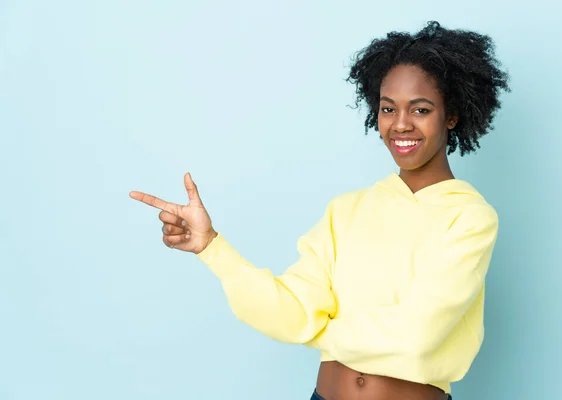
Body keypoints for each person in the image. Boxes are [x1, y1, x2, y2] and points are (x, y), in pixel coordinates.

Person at [130, 21, 510, 400]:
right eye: (388, 108)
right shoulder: (346, 211)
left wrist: (319, 331)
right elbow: (291, 312)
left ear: (451, 116)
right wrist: (211, 246)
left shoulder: (470, 218)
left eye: (421, 109)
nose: (401, 125)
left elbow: (416, 337)